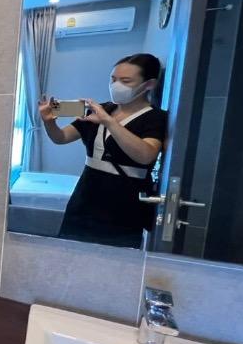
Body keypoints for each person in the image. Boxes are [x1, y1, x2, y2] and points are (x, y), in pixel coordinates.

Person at [39, 53, 167, 248]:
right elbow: (61, 137)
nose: (116, 85)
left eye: (125, 81)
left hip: (124, 207)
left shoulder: (156, 118)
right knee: (68, 254)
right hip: (84, 199)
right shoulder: (99, 109)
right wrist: (49, 122)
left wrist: (109, 122)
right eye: (113, 79)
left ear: (148, 84)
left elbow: (146, 155)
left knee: (114, 260)